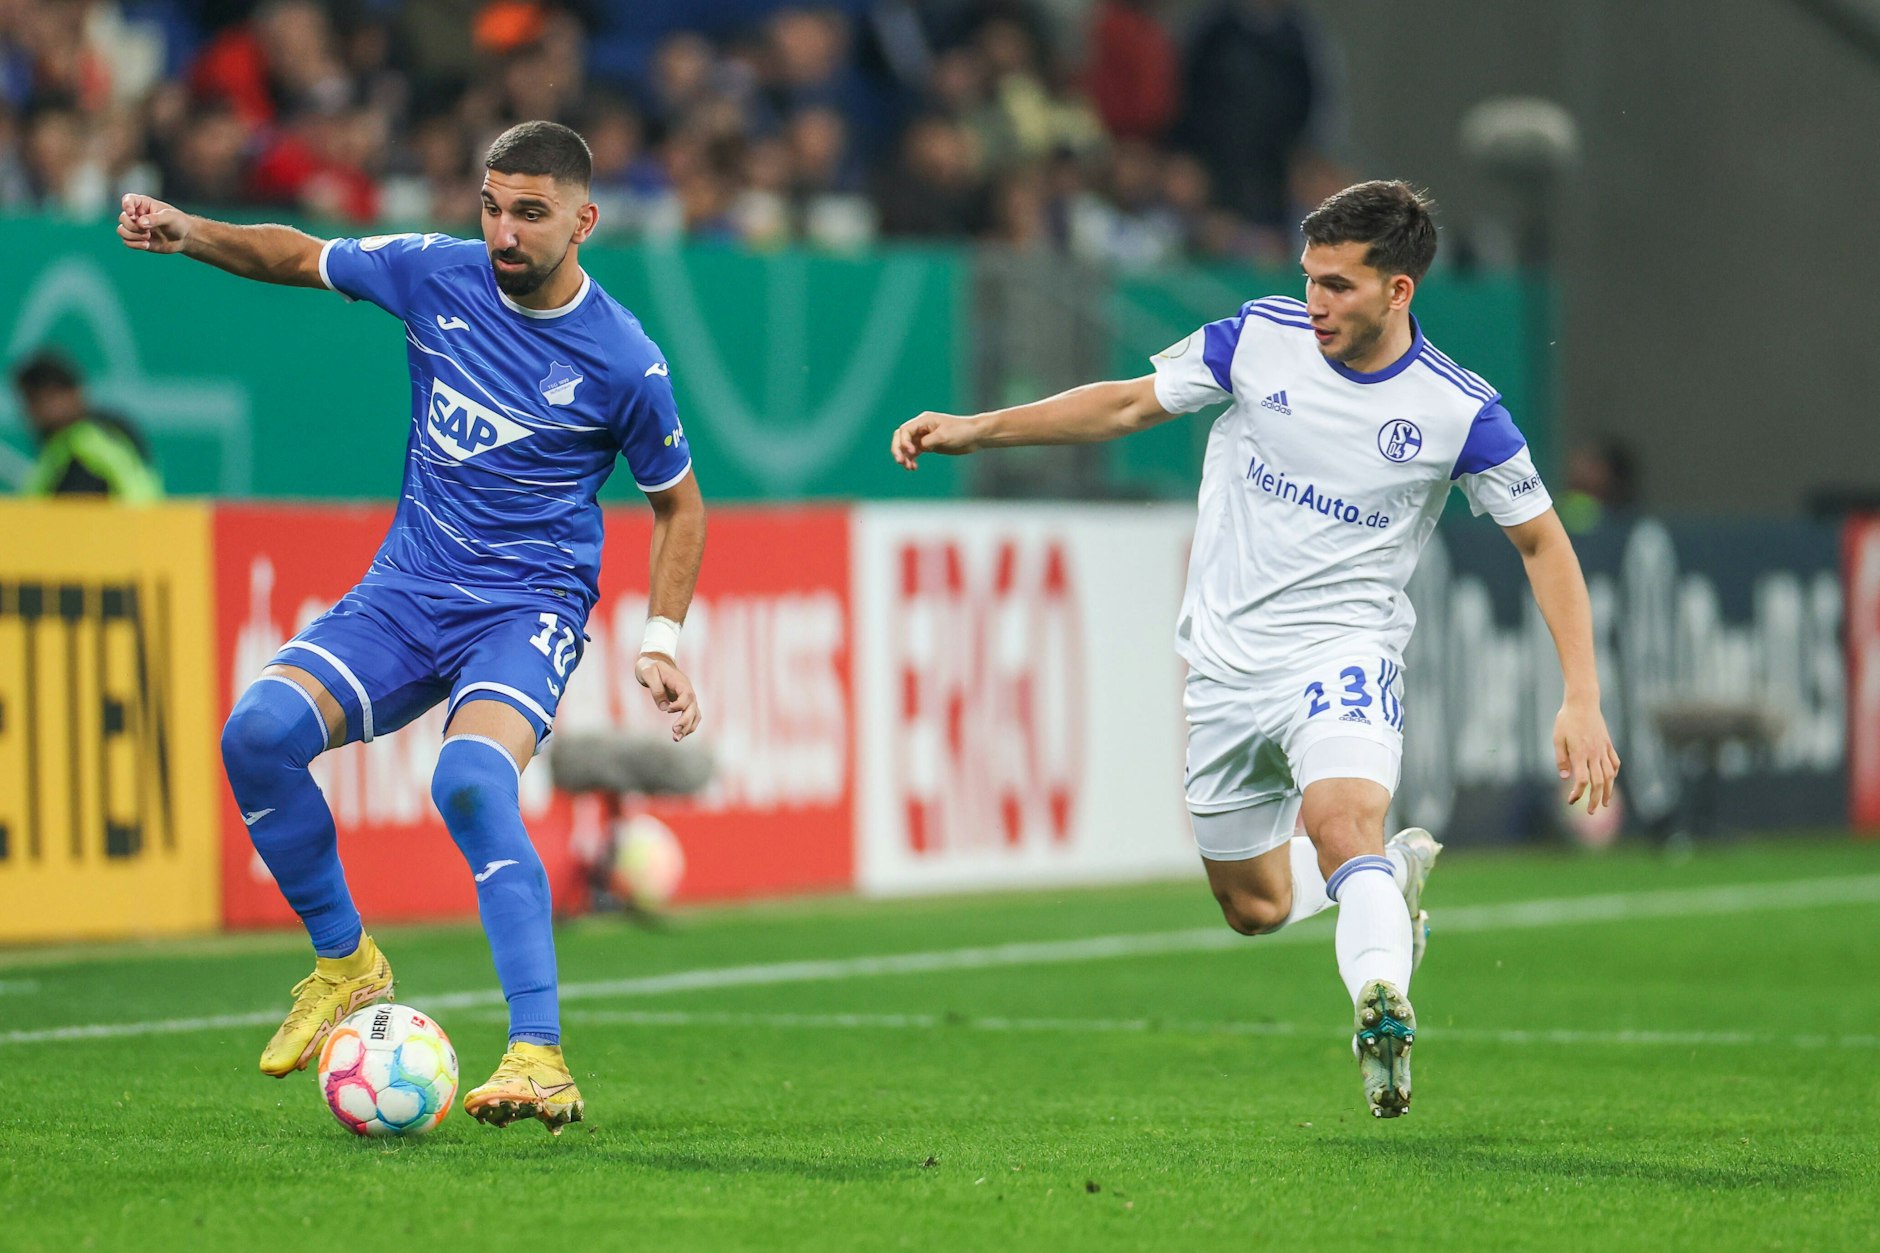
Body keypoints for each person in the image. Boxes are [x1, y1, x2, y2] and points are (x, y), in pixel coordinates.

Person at [890, 180, 1618, 1118]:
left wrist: (1582, 695)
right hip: (1227, 663)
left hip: (1345, 651)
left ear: (1400, 291)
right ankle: (1385, 888)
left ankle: (1378, 1003)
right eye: (1311, 278)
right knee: (1255, 908)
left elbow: (1543, 540)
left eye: (1341, 286)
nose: (1317, 302)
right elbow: (1125, 407)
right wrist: (977, 429)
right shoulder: (1255, 338)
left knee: (1343, 816)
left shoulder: (1458, 410)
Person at [117, 120, 707, 1134]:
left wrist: (660, 637)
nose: (503, 231)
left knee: (469, 778)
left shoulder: (625, 361)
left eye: (529, 212)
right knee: (255, 734)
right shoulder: (434, 273)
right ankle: (347, 960)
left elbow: (679, 504)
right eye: (491, 206)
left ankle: (539, 1053)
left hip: (523, 606)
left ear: (583, 220)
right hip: (404, 592)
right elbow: (299, 255)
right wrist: (189, 231)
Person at [11, 349, 162, 502]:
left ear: (73, 392)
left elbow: (76, 511)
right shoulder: (57, 449)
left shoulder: (87, 445)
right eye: (29, 401)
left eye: (42, 399)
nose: (32, 411)